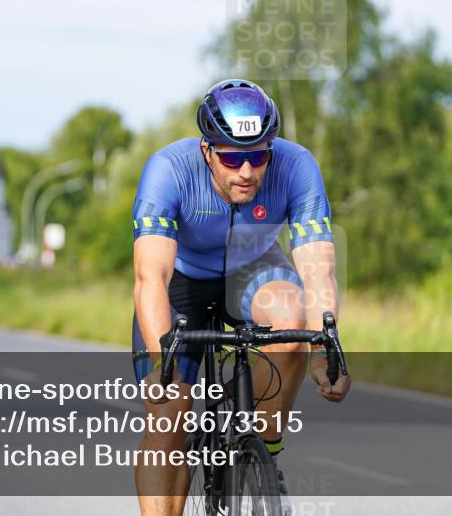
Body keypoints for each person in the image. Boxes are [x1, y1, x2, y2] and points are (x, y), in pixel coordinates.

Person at [131, 79, 352, 516]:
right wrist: (163, 364)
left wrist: (328, 351)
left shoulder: (297, 165)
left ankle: (263, 456)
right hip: (184, 278)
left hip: (253, 266)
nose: (246, 172)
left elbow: (318, 268)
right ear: (207, 150)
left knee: (294, 326)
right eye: (232, 157)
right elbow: (150, 277)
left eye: (257, 156)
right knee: (170, 409)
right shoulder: (168, 170)